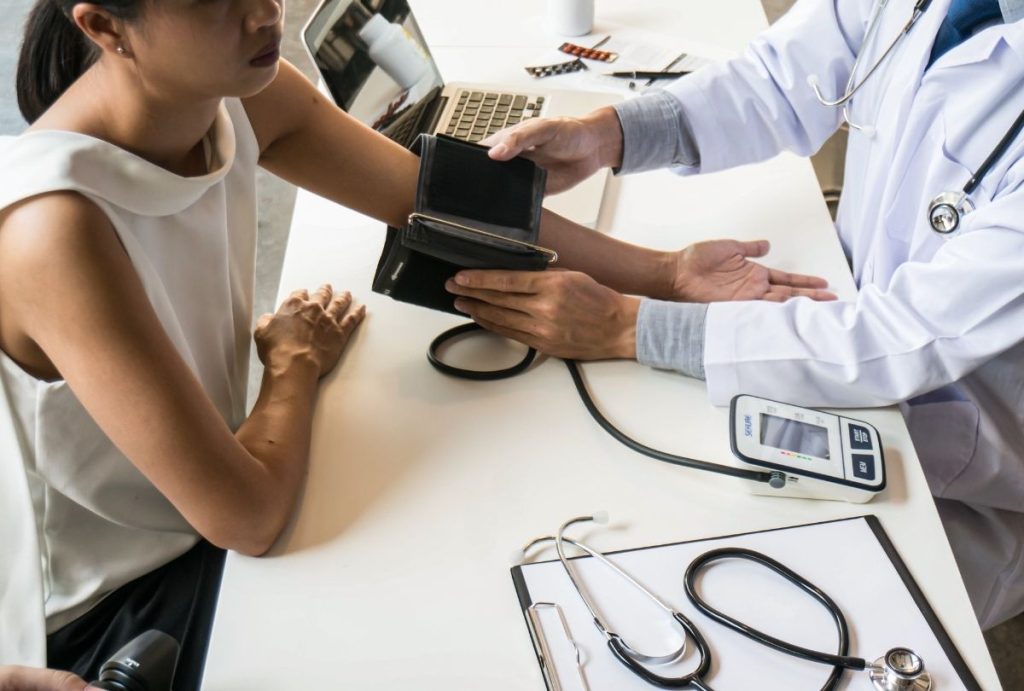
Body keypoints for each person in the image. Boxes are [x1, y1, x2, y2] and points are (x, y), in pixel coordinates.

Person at [0, 0, 831, 678]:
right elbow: (244, 515)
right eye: (218, 0)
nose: (263, 15)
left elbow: (436, 200)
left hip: (224, 490)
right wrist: (292, 366)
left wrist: (662, 273)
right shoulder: (54, 230)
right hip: (131, 606)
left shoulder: (241, 95)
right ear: (105, 28)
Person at [447, 0, 1024, 629]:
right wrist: (608, 134)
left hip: (973, 473)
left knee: (777, 622)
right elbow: (778, 78)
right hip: (845, 342)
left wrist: (628, 327)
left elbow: (906, 336)